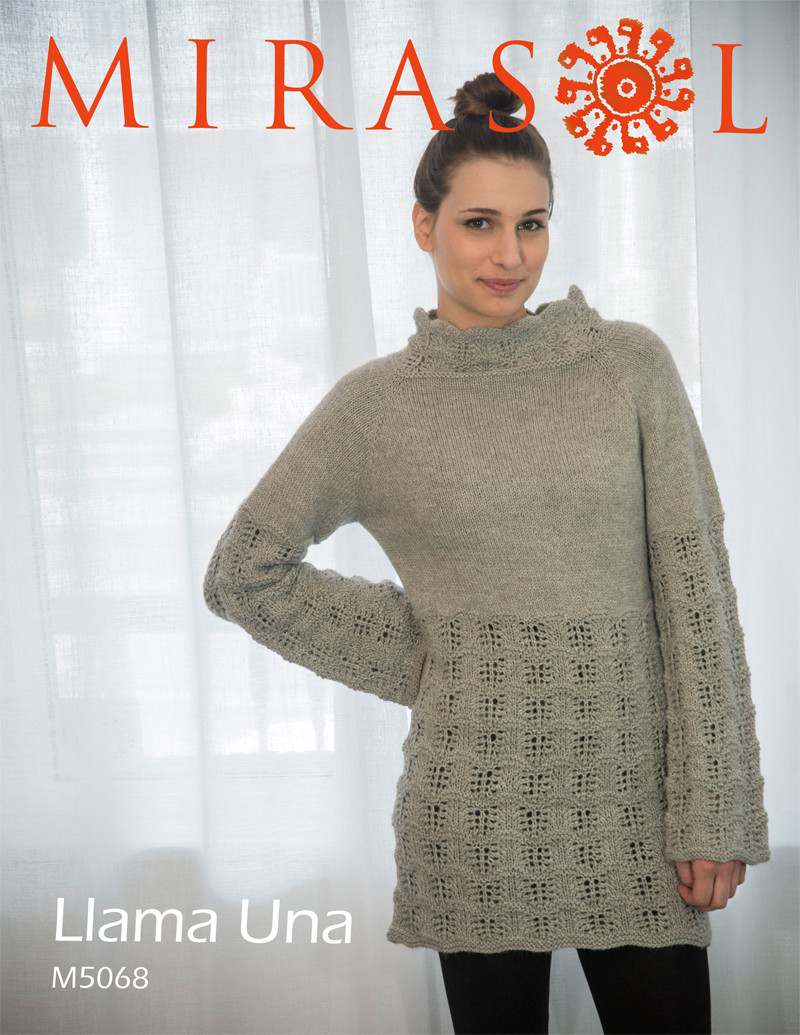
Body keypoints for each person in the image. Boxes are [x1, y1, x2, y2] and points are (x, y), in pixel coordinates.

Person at [203, 71, 770, 1035]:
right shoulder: (376, 407)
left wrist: (714, 804)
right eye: (479, 224)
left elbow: (697, 594)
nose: (510, 255)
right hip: (473, 818)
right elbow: (243, 573)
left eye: (532, 224)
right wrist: (433, 650)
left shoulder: (628, 366)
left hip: (639, 810)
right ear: (423, 226)